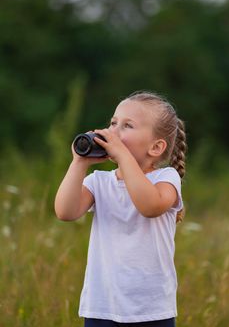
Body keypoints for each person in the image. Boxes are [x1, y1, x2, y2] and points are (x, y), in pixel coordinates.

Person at [54, 91, 187, 327]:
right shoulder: (99, 181)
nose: (113, 131)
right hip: (102, 306)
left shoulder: (166, 178)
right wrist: (79, 163)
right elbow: (66, 212)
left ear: (155, 147)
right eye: (113, 122)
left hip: (151, 309)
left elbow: (150, 206)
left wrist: (123, 156)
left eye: (127, 126)